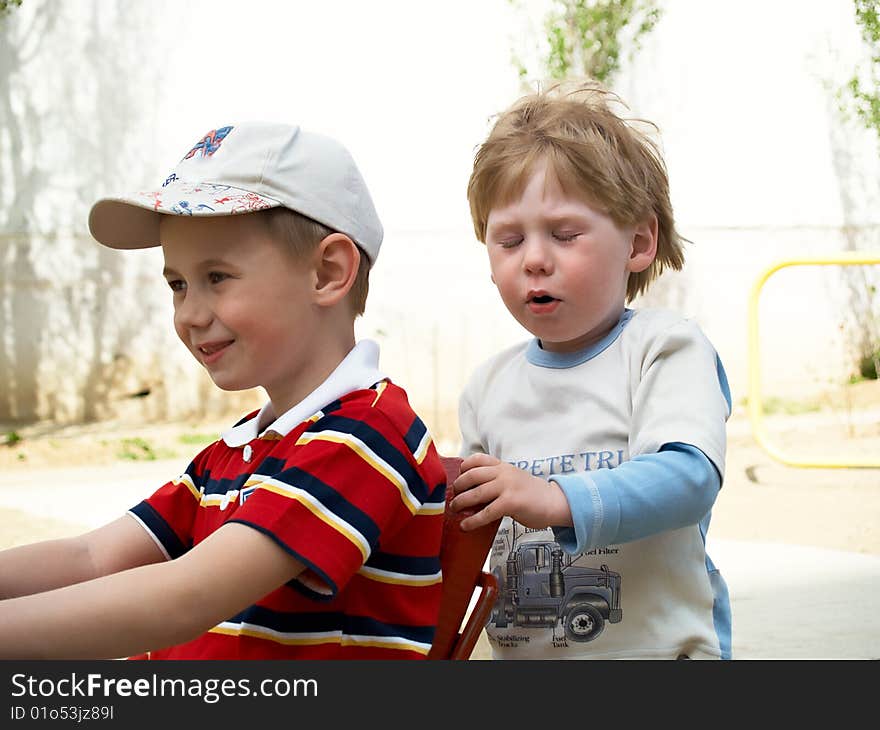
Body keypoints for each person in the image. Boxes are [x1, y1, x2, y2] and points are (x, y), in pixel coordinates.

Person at [0, 122, 446, 659]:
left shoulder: (365, 437)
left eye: (217, 277)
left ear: (328, 272)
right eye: (177, 284)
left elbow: (186, 598)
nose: (188, 314)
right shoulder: (235, 453)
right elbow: (93, 557)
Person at [450, 81, 733, 660]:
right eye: (509, 239)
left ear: (639, 240)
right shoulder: (487, 387)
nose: (533, 258)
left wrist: (557, 498)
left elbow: (689, 478)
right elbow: (467, 527)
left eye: (564, 234)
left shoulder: (664, 348)